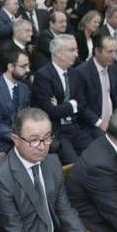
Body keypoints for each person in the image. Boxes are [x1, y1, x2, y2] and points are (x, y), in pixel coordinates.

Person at [32, 34, 94, 163]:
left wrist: (63, 106)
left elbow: (82, 104)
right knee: (74, 164)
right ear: (58, 53)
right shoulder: (43, 75)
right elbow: (50, 111)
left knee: (96, 154)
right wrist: (72, 105)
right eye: (71, 50)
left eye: (76, 50)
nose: (76, 54)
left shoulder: (74, 73)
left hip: (74, 127)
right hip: (57, 132)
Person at [0, 48, 32, 154]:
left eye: (28, 65)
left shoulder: (24, 87)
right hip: (2, 144)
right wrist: (18, 137)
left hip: (24, 139)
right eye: (23, 66)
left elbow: (27, 114)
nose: (28, 70)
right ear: (10, 67)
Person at [74, 34, 117, 139]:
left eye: (115, 51)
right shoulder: (81, 72)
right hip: (91, 124)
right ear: (97, 51)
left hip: (112, 121)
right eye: (110, 52)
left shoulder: (113, 68)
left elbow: (116, 97)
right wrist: (99, 123)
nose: (114, 56)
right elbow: (81, 106)